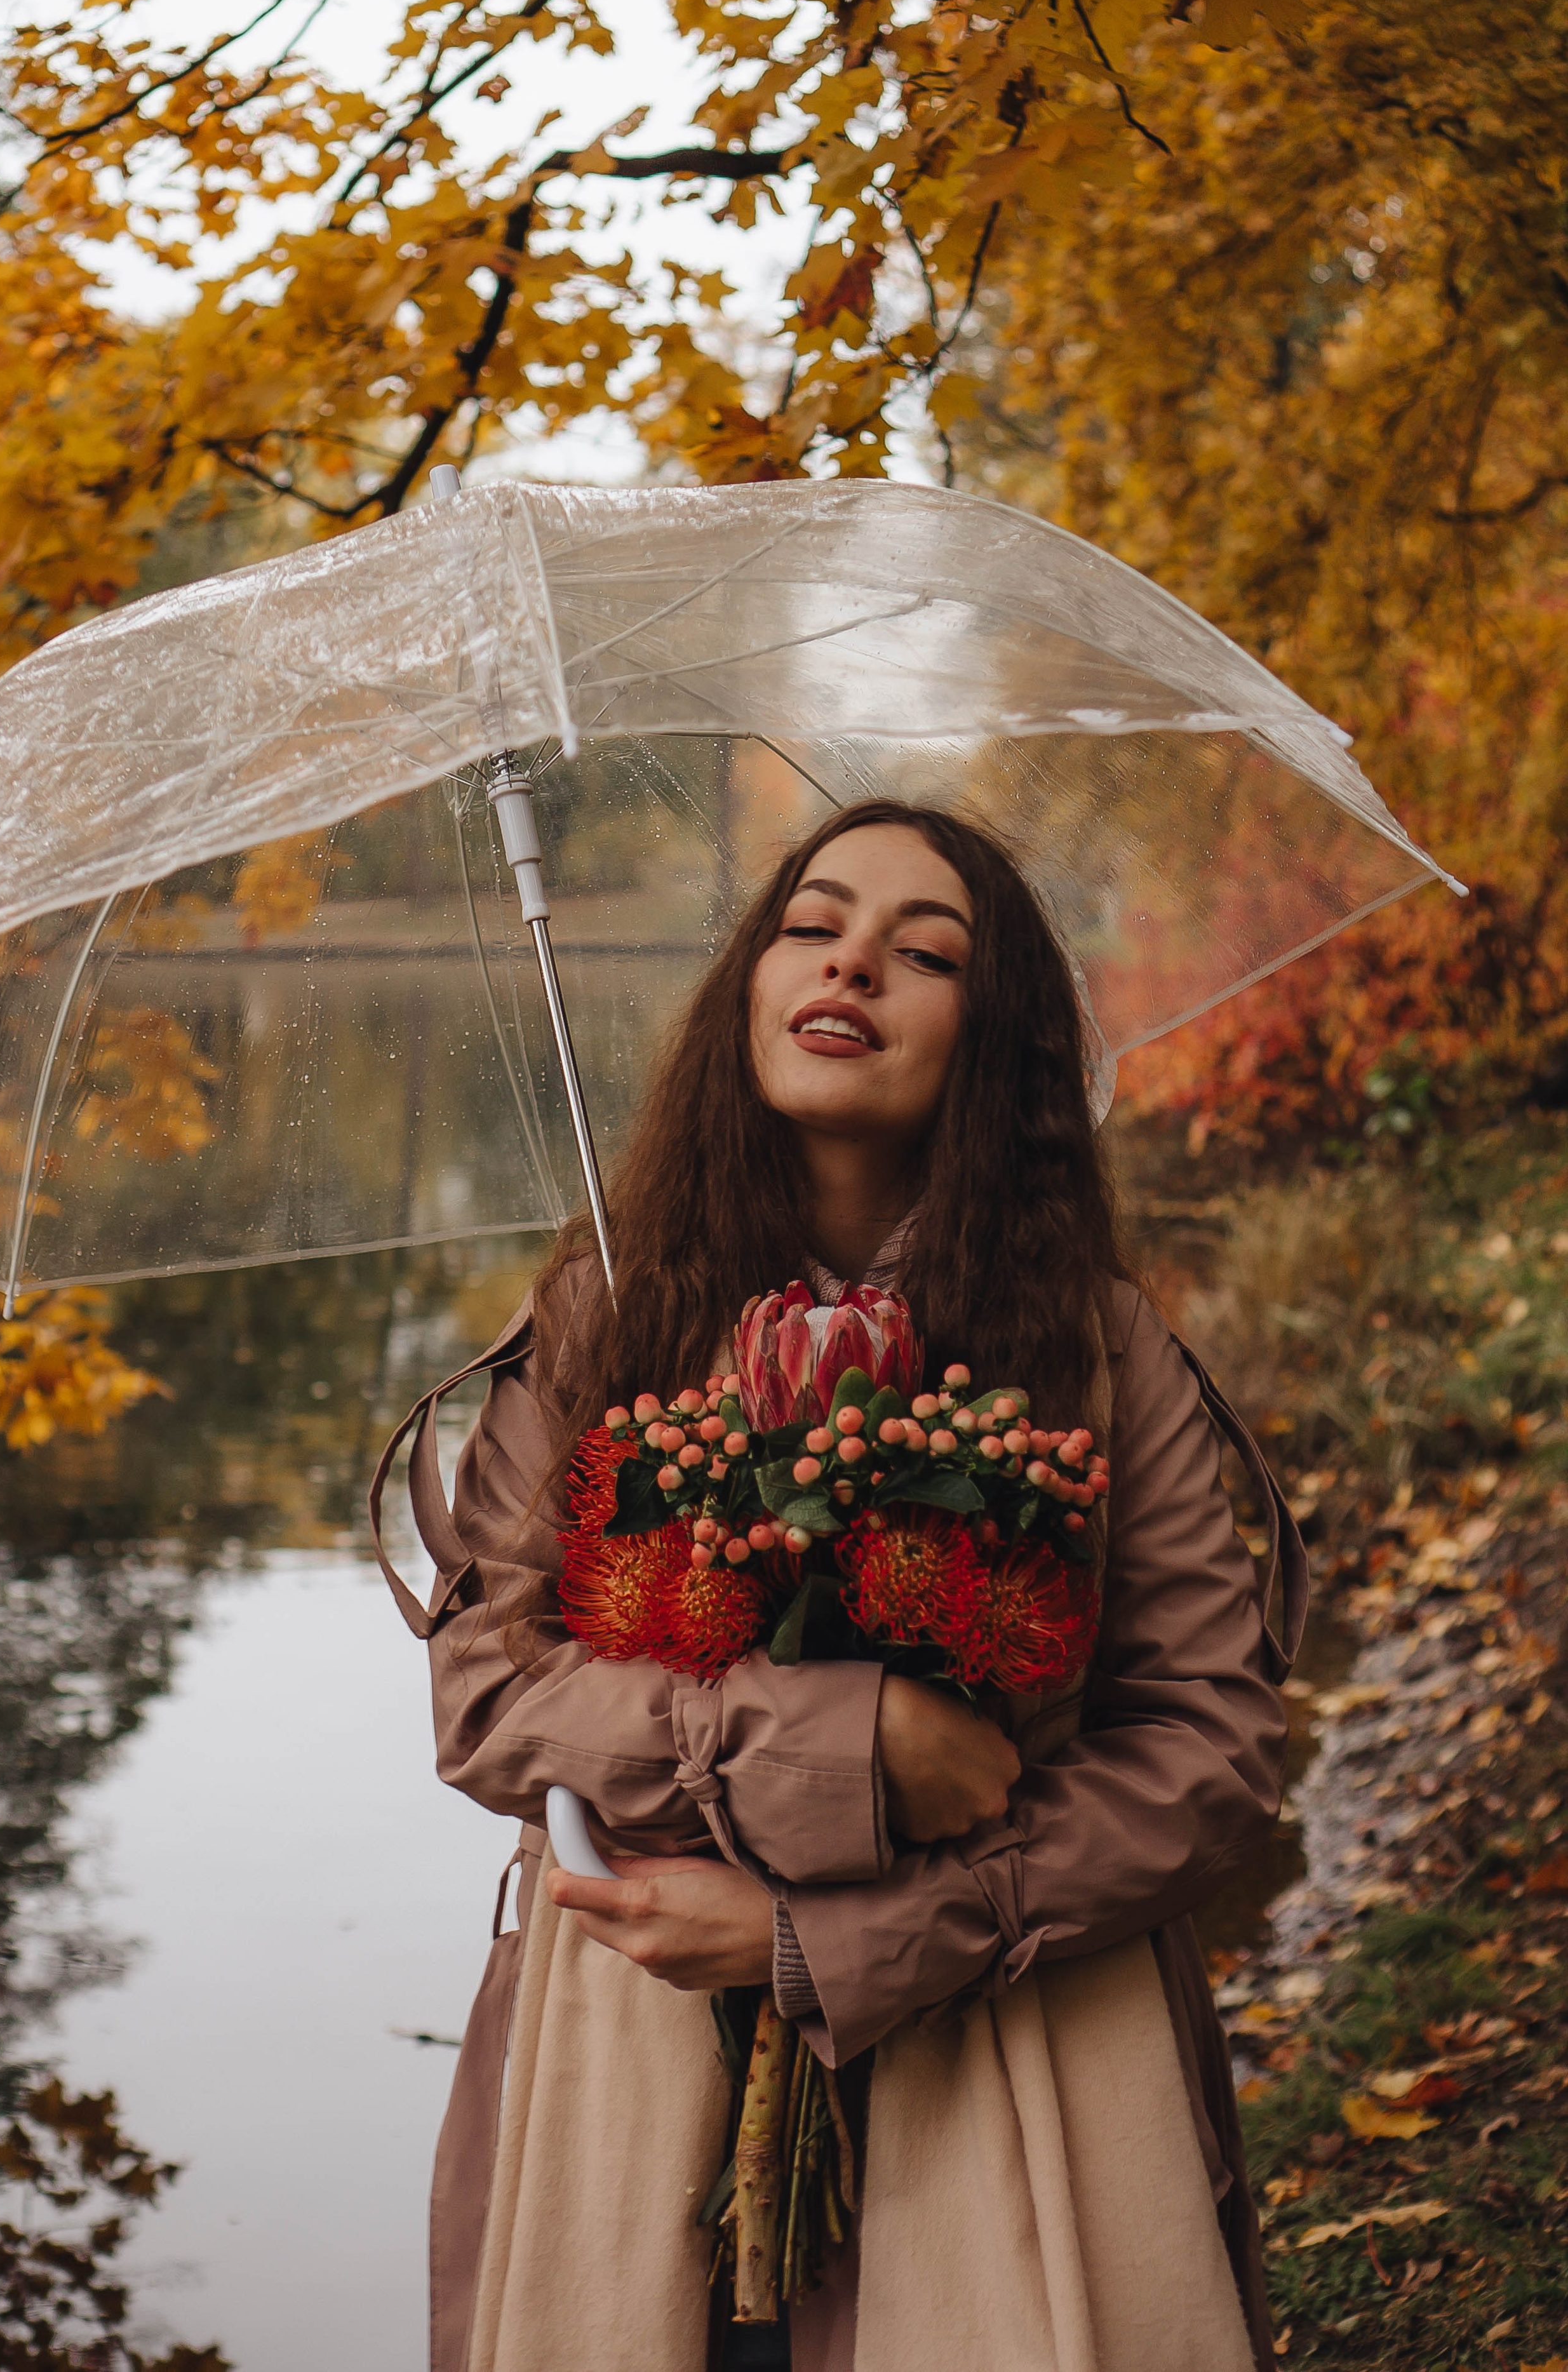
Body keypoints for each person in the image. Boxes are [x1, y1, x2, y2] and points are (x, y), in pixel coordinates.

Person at [372, 798, 1306, 2372]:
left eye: (920, 950)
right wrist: (841, 1733)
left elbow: (1210, 1754)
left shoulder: (1089, 1344)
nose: (851, 962)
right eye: (811, 925)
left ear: (987, 1038)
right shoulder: (603, 1314)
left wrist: (834, 1945)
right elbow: (487, 1697)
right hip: (638, 2033)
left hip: (1013, 2047)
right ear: (750, 981)